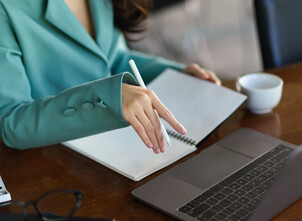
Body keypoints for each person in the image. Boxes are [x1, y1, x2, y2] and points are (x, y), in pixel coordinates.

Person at [0, 0, 221, 154]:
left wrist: (175, 74)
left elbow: (110, 59)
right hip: (49, 159)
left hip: (113, 148)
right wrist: (110, 96)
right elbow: (11, 122)